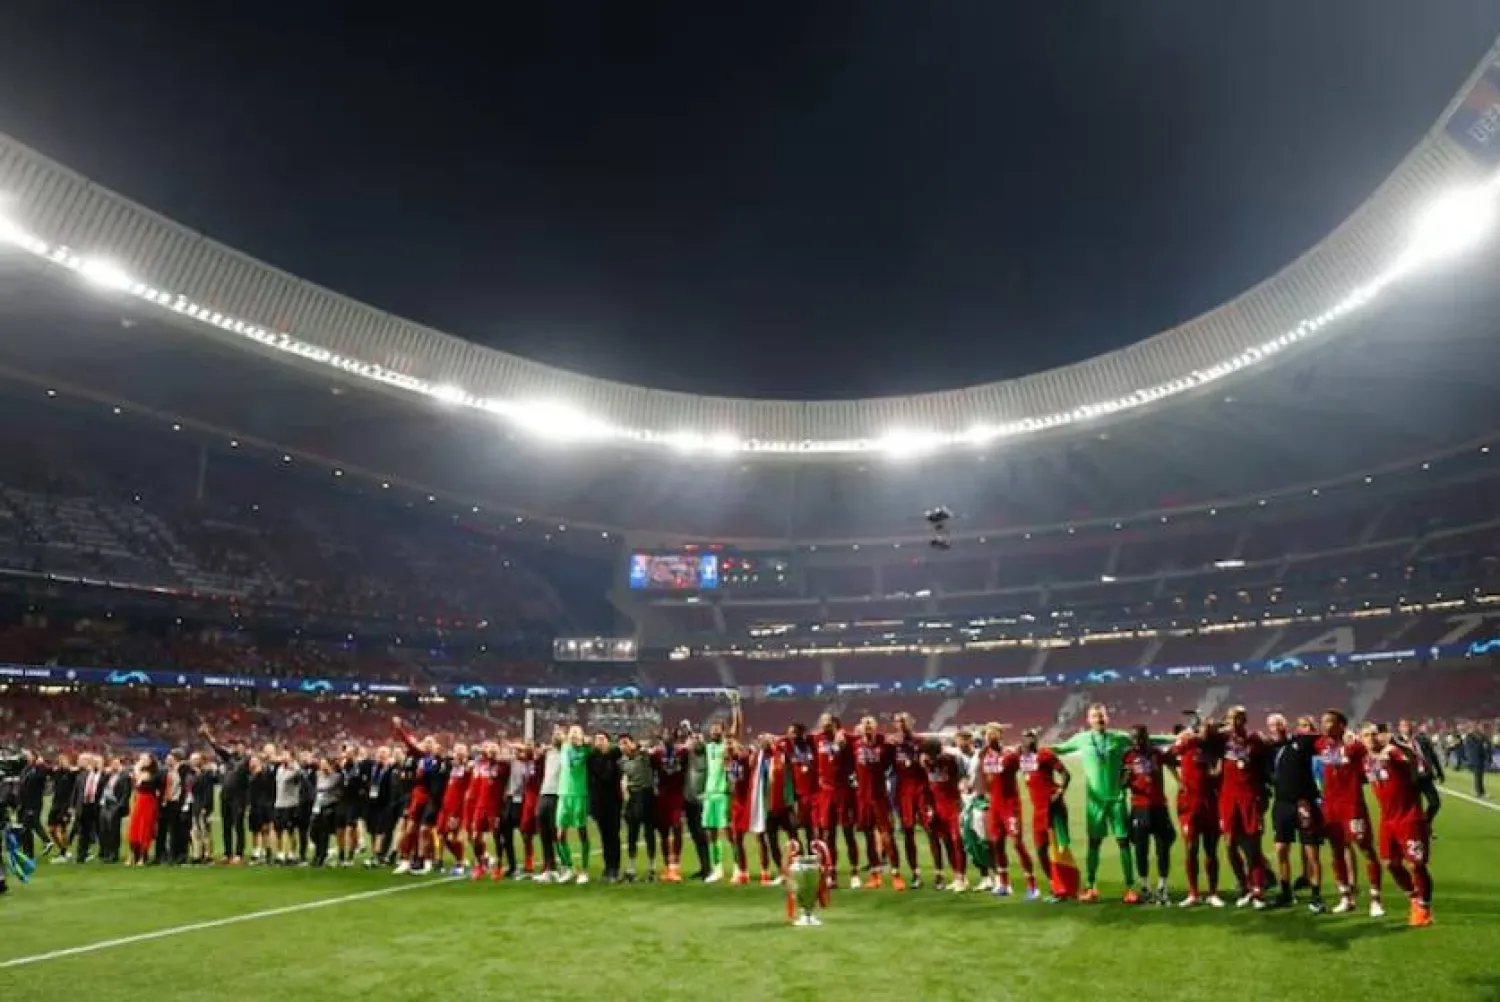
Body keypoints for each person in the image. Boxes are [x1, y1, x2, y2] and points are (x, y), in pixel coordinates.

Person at [1052, 704, 1140, 902]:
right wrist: (1031, 748)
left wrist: (1179, 738)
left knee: (1123, 843)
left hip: (1116, 799)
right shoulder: (1082, 739)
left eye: (1101, 716)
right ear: (1088, 720)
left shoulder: (1120, 738)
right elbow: (1058, 749)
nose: (1098, 719)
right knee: (1094, 844)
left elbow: (1146, 740)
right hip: (1095, 803)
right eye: (1094, 716)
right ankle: (1091, 886)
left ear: (1107, 718)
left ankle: (1129, 888)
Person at [1359, 724, 1434, 927]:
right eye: (1366, 735)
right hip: (1387, 820)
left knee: (1416, 864)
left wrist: (1396, 746)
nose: (1371, 738)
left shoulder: (1393, 753)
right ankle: (1414, 897)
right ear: (1362, 740)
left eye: (1375, 734)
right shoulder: (1366, 760)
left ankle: (1424, 907)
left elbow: (1411, 761)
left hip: (1409, 817)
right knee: (1390, 864)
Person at [1316, 709, 1384, 917]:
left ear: (1341, 725)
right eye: (1323, 721)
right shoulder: (1320, 744)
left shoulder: (1355, 747)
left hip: (1352, 805)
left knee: (1365, 848)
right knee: (1336, 851)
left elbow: (1374, 751)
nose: (1325, 725)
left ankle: (1375, 899)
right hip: (1330, 807)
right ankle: (1345, 897)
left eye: (1330, 721)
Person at [1265, 714, 1324, 912]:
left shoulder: (1301, 742)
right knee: (1281, 849)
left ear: (1286, 724)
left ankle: (1316, 896)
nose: (1276, 727)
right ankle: (1285, 892)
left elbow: (1323, 738)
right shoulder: (1269, 750)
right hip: (1281, 805)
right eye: (1272, 725)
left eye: (1279, 723)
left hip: (1303, 804)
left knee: (1311, 852)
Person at [1172, 716, 1224, 907]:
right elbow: (1168, 756)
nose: (1206, 731)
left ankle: (1213, 893)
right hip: (1189, 805)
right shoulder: (1188, 743)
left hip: (1211, 803)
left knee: (1211, 850)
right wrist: (1178, 781)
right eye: (1204, 728)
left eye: (1210, 728)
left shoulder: (1217, 746)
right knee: (1191, 848)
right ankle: (1193, 893)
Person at [1017, 728, 1074, 900]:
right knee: (1040, 849)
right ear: (1022, 741)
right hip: (1039, 810)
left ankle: (1065, 887)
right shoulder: (1021, 757)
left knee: (1058, 849)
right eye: (1027, 737)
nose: (1030, 740)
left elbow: (1066, 774)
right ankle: (1054, 884)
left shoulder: (1045, 754)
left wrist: (1060, 792)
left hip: (1053, 808)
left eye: (1033, 737)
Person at [1122, 724, 1174, 905]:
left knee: (1163, 848)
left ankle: (1162, 887)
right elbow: (1121, 784)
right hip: (1139, 808)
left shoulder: (1157, 754)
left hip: (1159, 806)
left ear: (1146, 737)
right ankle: (1144, 887)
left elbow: (1174, 761)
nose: (1137, 742)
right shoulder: (1127, 756)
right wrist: (1126, 778)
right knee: (1141, 850)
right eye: (1134, 738)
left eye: (1140, 737)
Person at [699, 694, 742, 884]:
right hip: (710, 794)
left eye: (718, 729)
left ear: (724, 732)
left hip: (724, 793)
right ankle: (717, 869)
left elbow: (737, 727)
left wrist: (735, 706)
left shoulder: (728, 745)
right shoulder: (708, 747)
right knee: (711, 832)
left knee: (728, 832)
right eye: (713, 729)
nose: (715, 731)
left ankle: (738, 868)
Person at [851, 716, 896, 889]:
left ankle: (895, 871)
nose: (868, 726)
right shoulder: (854, 745)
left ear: (876, 728)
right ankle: (875, 872)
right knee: (868, 834)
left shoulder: (885, 744)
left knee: (886, 833)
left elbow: (893, 764)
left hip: (879, 796)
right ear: (860, 728)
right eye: (865, 724)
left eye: (871, 724)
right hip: (862, 796)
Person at [889, 714, 929, 890]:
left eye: (905, 720)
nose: (902, 724)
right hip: (903, 791)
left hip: (921, 789)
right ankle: (916, 873)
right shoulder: (891, 744)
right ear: (894, 724)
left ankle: (940, 873)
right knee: (908, 832)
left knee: (932, 831)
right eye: (899, 721)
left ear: (912, 722)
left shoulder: (920, 741)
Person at [920, 738, 967, 891]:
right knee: (947, 842)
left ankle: (961, 877)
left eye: (928, 754)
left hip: (953, 805)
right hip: (938, 806)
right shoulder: (926, 764)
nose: (926, 756)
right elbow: (929, 785)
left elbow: (961, 775)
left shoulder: (950, 759)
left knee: (957, 841)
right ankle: (957, 876)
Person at [202, 724, 249, 863]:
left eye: (238, 745)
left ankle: (239, 854)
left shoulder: (246, 761)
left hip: (238, 798)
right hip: (225, 796)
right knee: (226, 825)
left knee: (238, 826)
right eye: (234, 745)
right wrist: (208, 736)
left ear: (244, 747)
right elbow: (217, 748)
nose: (235, 748)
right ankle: (228, 853)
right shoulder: (230, 759)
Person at [555, 725, 594, 884]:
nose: (574, 735)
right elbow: (556, 738)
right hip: (563, 794)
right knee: (560, 834)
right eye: (572, 733)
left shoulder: (586, 751)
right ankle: (568, 867)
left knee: (581, 832)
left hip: (579, 794)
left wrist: (587, 743)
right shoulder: (564, 747)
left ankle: (584, 870)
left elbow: (594, 746)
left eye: (578, 732)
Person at [651, 729, 689, 882]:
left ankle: (675, 866)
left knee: (677, 827)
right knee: (664, 832)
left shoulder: (682, 752)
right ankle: (667, 866)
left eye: (669, 735)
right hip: (662, 795)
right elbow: (651, 770)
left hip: (677, 794)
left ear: (674, 738)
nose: (666, 737)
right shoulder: (656, 754)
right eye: (664, 734)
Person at [619, 733, 658, 882]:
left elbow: (652, 750)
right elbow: (623, 777)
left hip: (647, 795)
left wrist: (643, 747)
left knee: (649, 832)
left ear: (632, 743)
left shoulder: (643, 755)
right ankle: (631, 867)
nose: (624, 746)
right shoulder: (621, 762)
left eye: (626, 742)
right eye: (621, 743)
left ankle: (652, 867)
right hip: (633, 796)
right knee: (632, 833)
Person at [587, 732, 623, 882]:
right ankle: (608, 867)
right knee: (604, 836)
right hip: (599, 802)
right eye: (597, 739)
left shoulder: (614, 757)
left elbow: (608, 777)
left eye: (602, 739)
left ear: (608, 742)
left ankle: (614, 868)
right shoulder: (593, 759)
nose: (599, 742)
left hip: (613, 802)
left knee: (613, 836)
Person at [1393, 719, 1443, 824]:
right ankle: (1419, 830)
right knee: (1414, 807)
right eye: (1404, 725)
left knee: (1435, 803)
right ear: (1399, 728)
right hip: (1410, 779)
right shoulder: (1396, 743)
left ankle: (1426, 823)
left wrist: (1439, 771)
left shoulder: (1422, 739)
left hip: (1425, 776)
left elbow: (1433, 756)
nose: (1407, 727)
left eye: (1409, 725)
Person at [126, 754, 161, 866]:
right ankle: (132, 855)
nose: (142, 761)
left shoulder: (154, 773)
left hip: (148, 801)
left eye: (144, 759)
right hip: (139, 800)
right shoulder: (140, 772)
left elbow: (144, 781)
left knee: (144, 828)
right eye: (141, 758)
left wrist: (137, 768)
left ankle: (142, 856)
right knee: (134, 828)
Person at [70, 753, 105, 864]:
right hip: (84, 806)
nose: (95, 764)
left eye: (97, 762)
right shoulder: (82, 775)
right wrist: (72, 806)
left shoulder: (103, 776)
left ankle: (104, 853)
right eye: (94, 762)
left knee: (101, 831)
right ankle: (81, 856)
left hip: (97, 806)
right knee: (83, 832)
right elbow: (76, 791)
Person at [46, 753, 79, 862]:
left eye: (63, 760)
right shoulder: (56, 772)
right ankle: (63, 850)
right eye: (59, 760)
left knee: (61, 829)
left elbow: (81, 771)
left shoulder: (71, 773)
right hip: (55, 804)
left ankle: (64, 853)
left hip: (65, 806)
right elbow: (47, 770)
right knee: (51, 830)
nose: (61, 762)